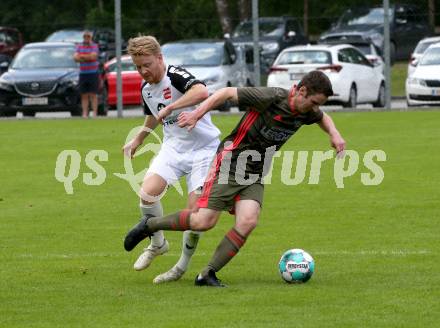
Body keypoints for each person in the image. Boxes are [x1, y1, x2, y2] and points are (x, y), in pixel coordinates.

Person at [124, 70, 346, 287]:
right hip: (231, 163)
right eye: (314, 102)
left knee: (248, 221)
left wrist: (334, 134)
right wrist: (195, 114)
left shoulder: (307, 111)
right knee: (203, 221)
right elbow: (227, 93)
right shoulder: (272, 97)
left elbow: (322, 117)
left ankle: (207, 274)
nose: (316, 108)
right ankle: (149, 225)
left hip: (256, 171)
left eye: (319, 104)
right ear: (302, 91)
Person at [123, 35, 220, 284]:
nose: (143, 71)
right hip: (174, 148)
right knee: (147, 193)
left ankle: (180, 267)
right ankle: (158, 244)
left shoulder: (175, 74)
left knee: (194, 213)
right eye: (138, 67)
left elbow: (201, 91)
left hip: (204, 150)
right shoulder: (146, 90)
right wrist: (138, 140)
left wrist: (169, 109)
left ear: (159, 58)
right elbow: (153, 117)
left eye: (147, 64)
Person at [73, 30, 100, 118]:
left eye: (88, 36)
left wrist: (82, 56)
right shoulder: (79, 46)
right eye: (85, 36)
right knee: (84, 95)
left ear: (91, 37)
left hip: (93, 73)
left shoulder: (94, 46)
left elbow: (93, 56)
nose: (86, 38)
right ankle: (85, 114)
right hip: (83, 73)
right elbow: (75, 58)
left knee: (93, 94)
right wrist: (87, 57)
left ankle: (95, 113)